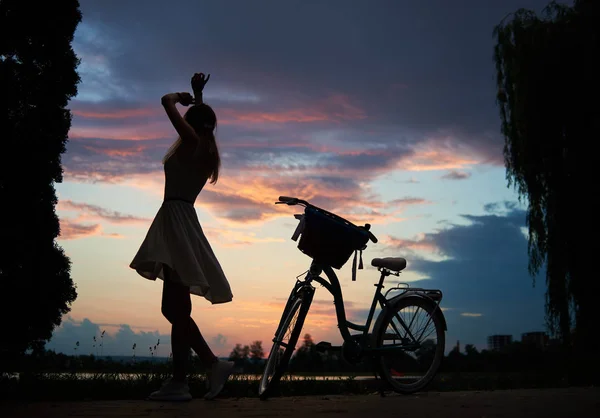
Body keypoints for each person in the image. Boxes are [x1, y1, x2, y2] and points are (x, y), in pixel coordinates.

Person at [130, 73, 234, 401]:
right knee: (174, 307)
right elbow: (201, 122)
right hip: (180, 220)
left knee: (175, 308)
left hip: (176, 221)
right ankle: (199, 370)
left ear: (191, 124)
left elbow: (165, 103)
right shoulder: (204, 148)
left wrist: (177, 97)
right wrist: (198, 95)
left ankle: (189, 377)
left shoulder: (192, 143)